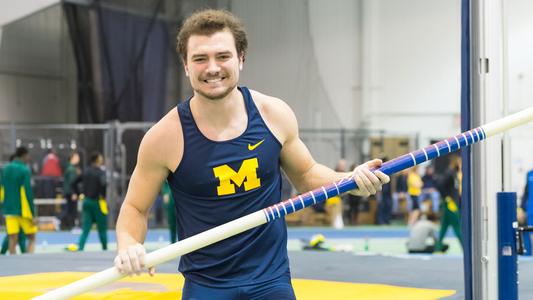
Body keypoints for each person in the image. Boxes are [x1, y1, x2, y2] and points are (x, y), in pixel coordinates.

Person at [113, 9, 389, 299]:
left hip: (271, 283)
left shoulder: (273, 115)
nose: (212, 68)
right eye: (200, 58)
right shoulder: (164, 138)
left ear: (241, 58)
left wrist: (350, 180)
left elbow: (307, 175)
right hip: (207, 287)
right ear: (185, 65)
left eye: (223, 56)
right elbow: (134, 208)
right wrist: (129, 243)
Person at [1, 147, 37, 254]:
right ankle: (29, 262)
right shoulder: (24, 170)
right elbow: (28, 192)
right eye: (28, 156)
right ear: (24, 155)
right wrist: (32, 213)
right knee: (32, 237)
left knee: (12, 238)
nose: (29, 158)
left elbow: (1, 189)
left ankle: (14, 265)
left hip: (8, 209)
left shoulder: (5, 169)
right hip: (23, 210)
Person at [72, 152, 108, 251]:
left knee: (86, 227)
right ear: (97, 160)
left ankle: (81, 246)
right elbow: (104, 185)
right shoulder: (101, 172)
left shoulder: (85, 171)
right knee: (102, 227)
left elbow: (74, 183)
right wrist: (104, 196)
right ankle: (104, 247)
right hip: (97, 202)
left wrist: (79, 193)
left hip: (86, 201)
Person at [435, 155, 463, 252]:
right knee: (457, 226)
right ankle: (465, 248)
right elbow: (439, 185)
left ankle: (438, 248)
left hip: (452, 202)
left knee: (444, 226)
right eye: (459, 162)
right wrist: (446, 197)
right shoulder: (449, 173)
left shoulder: (455, 173)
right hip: (450, 203)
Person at [1, 153, 27, 255]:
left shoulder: (7, 173)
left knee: (14, 234)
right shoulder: (9, 174)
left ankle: (7, 253)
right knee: (13, 234)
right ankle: (5, 252)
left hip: (14, 209)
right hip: (15, 209)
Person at [61, 151, 81, 230]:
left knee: (69, 209)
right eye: (77, 157)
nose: (78, 159)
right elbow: (72, 182)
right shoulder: (71, 169)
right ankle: (70, 225)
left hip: (69, 192)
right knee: (71, 210)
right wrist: (73, 193)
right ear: (72, 158)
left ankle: (70, 225)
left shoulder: (69, 167)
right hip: (71, 193)